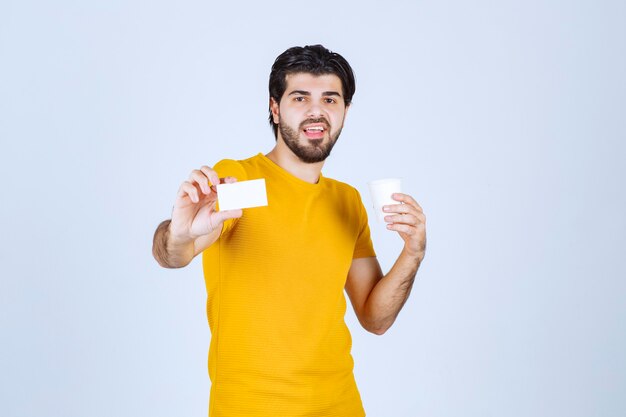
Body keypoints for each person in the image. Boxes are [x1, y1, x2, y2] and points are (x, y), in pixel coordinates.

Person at [152, 44, 427, 417]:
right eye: (300, 97)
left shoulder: (346, 202)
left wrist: (412, 254)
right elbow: (175, 252)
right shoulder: (240, 178)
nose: (317, 110)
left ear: (346, 111)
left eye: (330, 99)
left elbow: (375, 319)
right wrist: (180, 234)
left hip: (341, 405)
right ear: (275, 108)